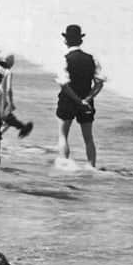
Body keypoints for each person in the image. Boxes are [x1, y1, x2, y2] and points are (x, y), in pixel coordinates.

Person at [56, 23, 104, 168]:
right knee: (88, 138)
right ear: (81, 41)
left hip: (68, 100)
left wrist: (77, 100)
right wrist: (86, 100)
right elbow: (99, 83)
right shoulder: (92, 59)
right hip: (87, 100)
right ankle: (91, 167)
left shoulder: (64, 59)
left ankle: (65, 165)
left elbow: (64, 84)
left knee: (63, 134)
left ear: (66, 41)